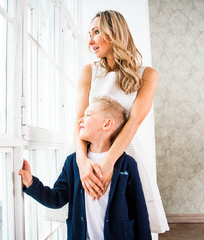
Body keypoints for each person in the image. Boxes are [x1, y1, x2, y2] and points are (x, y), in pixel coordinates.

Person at [75, 10, 169, 233]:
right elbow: (78, 122)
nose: (90, 41)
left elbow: (134, 121)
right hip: (87, 156)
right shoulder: (88, 72)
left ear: (114, 32)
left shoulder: (148, 75)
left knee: (127, 224)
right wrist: (82, 163)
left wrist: (108, 163)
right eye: (90, 33)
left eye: (96, 32)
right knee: (88, 223)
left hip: (125, 155)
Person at [19, 97, 151, 240]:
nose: (80, 120)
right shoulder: (72, 162)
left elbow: (139, 211)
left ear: (107, 124)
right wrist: (31, 183)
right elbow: (56, 199)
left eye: (88, 115)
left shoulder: (127, 164)